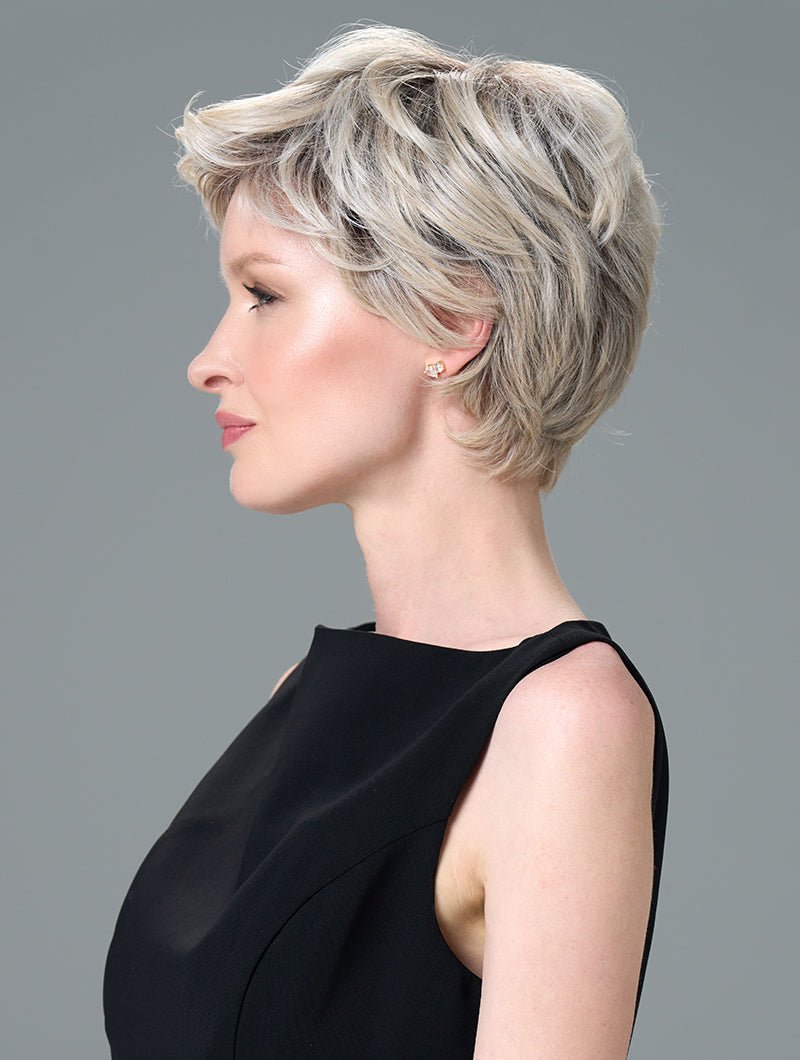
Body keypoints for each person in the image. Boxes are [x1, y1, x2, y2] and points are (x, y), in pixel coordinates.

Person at [103, 22, 668, 1059]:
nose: (207, 360)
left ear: (452, 315)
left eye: (264, 295)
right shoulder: (305, 696)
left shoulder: (562, 725)